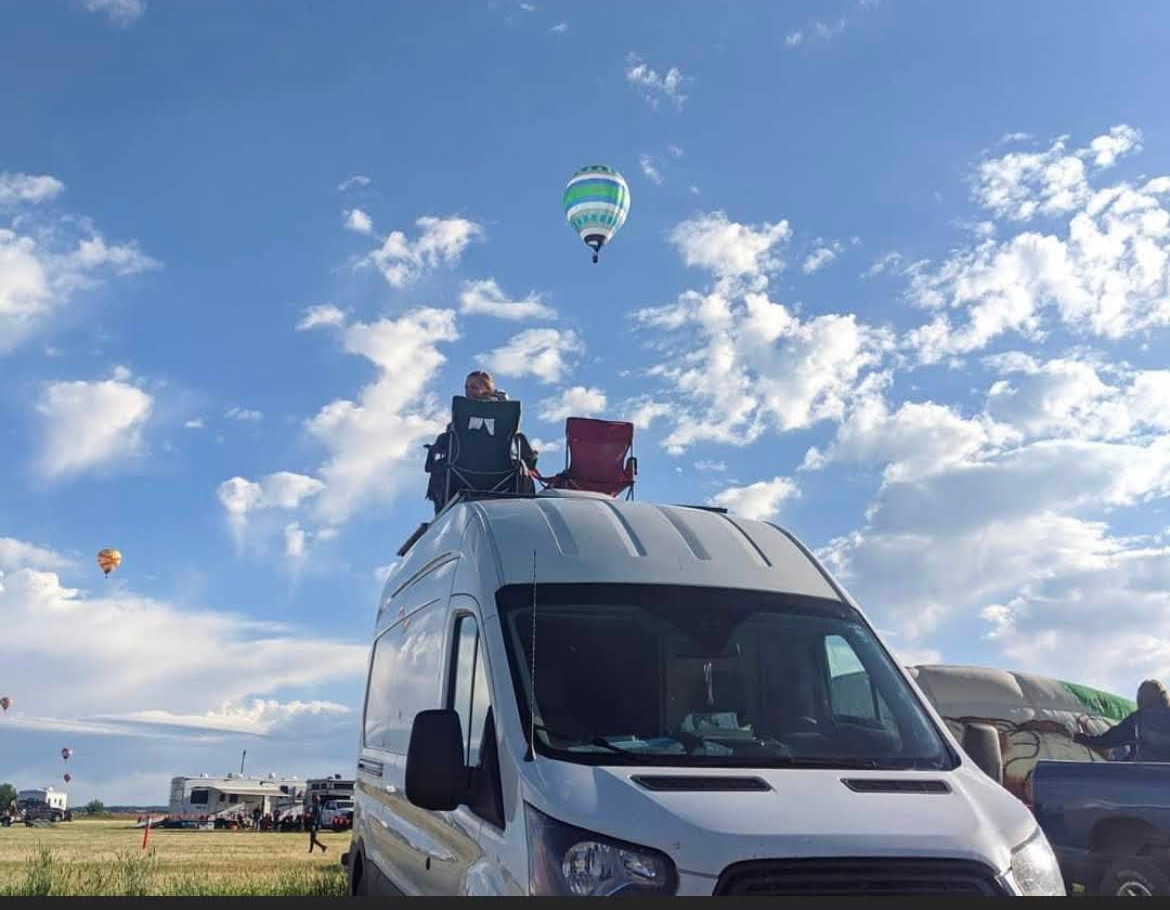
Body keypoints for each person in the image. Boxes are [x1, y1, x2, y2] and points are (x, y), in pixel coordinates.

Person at [424, 370, 538, 514]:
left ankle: (441, 515)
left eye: (474, 387)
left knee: (441, 466)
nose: (468, 392)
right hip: (503, 475)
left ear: (487, 390)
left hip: (461, 474)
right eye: (466, 387)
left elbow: (446, 445)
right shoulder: (507, 414)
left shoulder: (461, 416)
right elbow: (526, 454)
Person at [1074, 679, 1170, 762]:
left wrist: (1080, 738)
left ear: (1141, 699)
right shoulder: (1138, 720)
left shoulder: (1138, 719)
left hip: (1145, 777)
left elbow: (1107, 741)